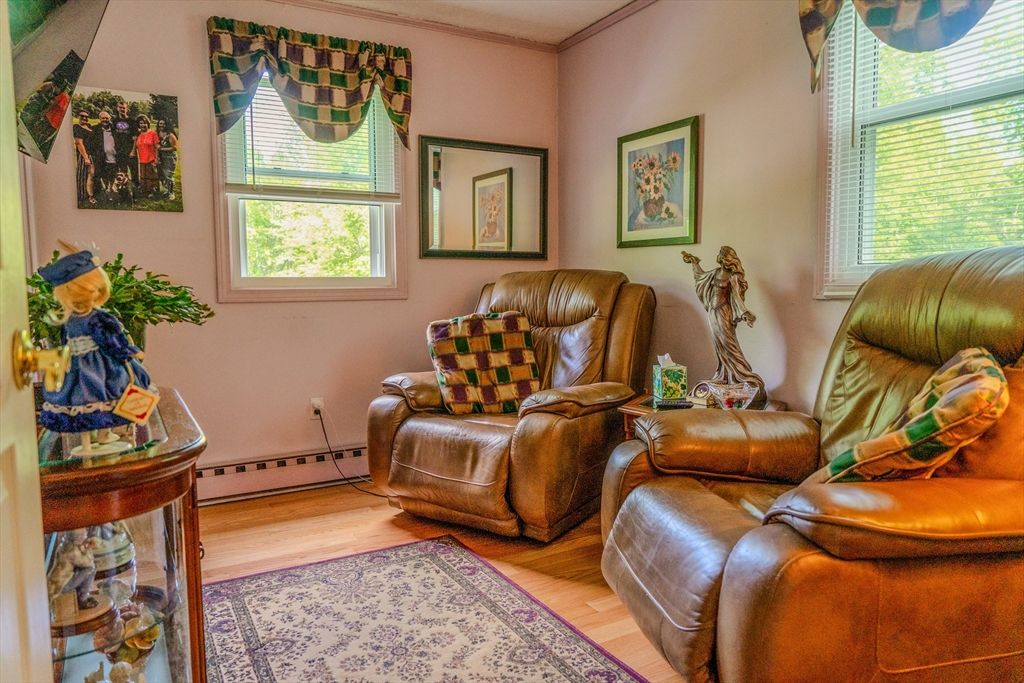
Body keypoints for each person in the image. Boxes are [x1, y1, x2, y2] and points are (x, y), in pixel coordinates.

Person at [36, 249, 155, 455]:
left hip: (76, 367)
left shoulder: (70, 319)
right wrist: (130, 353)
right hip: (101, 367)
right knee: (105, 394)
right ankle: (103, 434)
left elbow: (66, 342)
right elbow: (111, 341)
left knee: (80, 398)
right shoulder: (98, 318)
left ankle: (88, 441)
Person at [680, 246, 766, 406]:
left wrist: (745, 313)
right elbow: (700, 277)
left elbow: (737, 299)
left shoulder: (732, 277)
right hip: (712, 312)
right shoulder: (714, 273)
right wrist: (694, 262)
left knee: (729, 345)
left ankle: (743, 376)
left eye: (725, 257)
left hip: (723, 312)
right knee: (718, 346)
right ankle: (724, 377)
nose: (722, 259)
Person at [72, 111, 97, 205]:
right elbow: (79, 143)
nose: (84, 118)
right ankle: (88, 196)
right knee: (87, 175)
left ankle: (88, 194)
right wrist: (85, 157)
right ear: (78, 117)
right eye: (82, 116)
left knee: (91, 175)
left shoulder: (90, 127)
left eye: (86, 117)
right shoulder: (77, 127)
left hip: (93, 154)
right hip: (85, 155)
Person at [132, 116, 159, 197]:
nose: (143, 125)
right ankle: (144, 191)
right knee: (143, 176)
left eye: (145, 123)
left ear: (148, 123)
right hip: (142, 160)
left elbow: (157, 147)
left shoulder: (153, 133)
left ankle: (152, 192)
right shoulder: (138, 135)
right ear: (138, 125)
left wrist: (156, 159)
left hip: (151, 159)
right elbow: (135, 146)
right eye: (141, 123)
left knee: (151, 176)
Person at [111, 101, 135, 184]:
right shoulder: (114, 121)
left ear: (127, 109)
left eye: (124, 108)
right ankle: (124, 187)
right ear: (117, 108)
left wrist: (133, 151)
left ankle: (136, 188)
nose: (122, 109)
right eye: (120, 107)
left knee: (134, 170)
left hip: (130, 151)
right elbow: (112, 136)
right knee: (122, 170)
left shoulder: (132, 121)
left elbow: (135, 138)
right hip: (119, 151)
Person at [94, 110, 118, 195]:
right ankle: (106, 187)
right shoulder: (96, 129)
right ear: (100, 119)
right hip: (102, 156)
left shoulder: (115, 129)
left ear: (110, 119)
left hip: (114, 156)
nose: (105, 120)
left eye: (107, 118)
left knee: (113, 172)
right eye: (103, 118)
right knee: (104, 173)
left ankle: (112, 187)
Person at [156, 120, 178, 200]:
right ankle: (166, 190)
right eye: (160, 123)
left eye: (164, 124)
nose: (162, 125)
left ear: (167, 125)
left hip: (170, 158)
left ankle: (171, 193)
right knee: (162, 175)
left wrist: (162, 149)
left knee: (168, 175)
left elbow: (175, 148)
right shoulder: (158, 134)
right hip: (161, 157)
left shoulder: (170, 135)